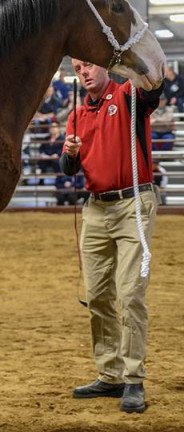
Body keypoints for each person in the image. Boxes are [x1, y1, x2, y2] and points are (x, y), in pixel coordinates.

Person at [61, 59, 163, 414]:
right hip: (96, 208)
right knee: (98, 296)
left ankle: (133, 378)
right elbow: (68, 168)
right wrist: (70, 156)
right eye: (77, 68)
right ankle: (110, 373)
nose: (84, 73)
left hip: (133, 201)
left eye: (88, 65)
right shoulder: (75, 116)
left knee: (130, 292)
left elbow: (154, 86)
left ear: (104, 67)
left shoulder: (130, 95)